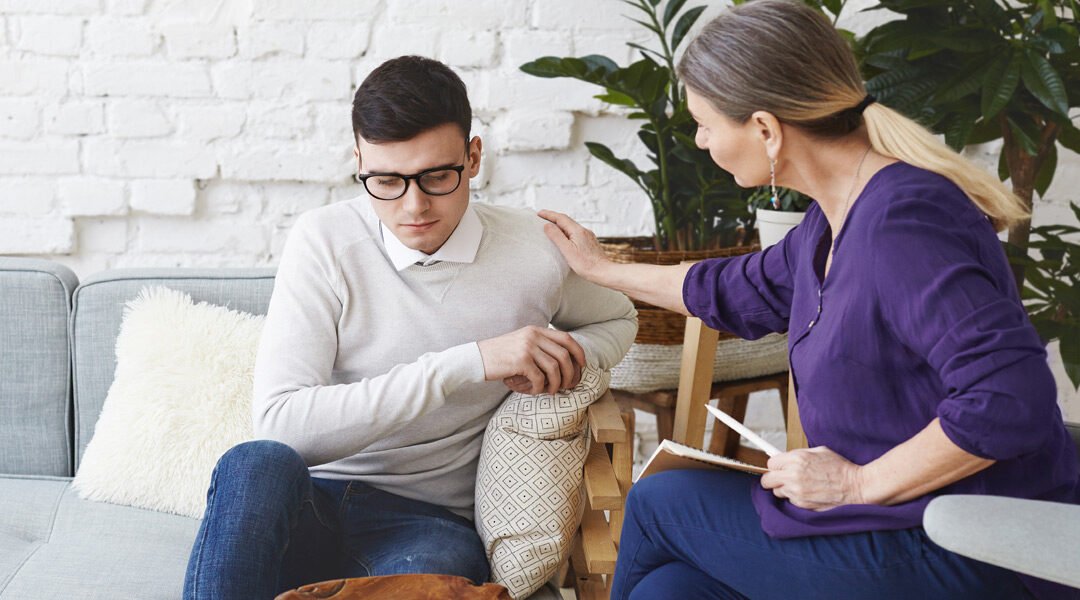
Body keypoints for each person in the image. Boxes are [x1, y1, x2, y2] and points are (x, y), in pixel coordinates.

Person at [540, 1, 1079, 599]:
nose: (699, 140)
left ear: (767, 129)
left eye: (707, 123)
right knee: (669, 591)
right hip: (895, 527)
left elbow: (1009, 400)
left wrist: (857, 484)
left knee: (665, 501)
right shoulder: (831, 224)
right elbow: (726, 290)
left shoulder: (903, 225)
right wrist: (602, 267)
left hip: (969, 548)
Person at [182, 55, 637, 600]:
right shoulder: (324, 240)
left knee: (443, 573)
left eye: (436, 176)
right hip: (311, 499)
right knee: (255, 462)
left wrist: (564, 352)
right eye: (386, 181)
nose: (413, 206)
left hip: (427, 521)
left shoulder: (533, 249)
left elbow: (620, 317)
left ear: (473, 157)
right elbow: (282, 425)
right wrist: (469, 362)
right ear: (358, 161)